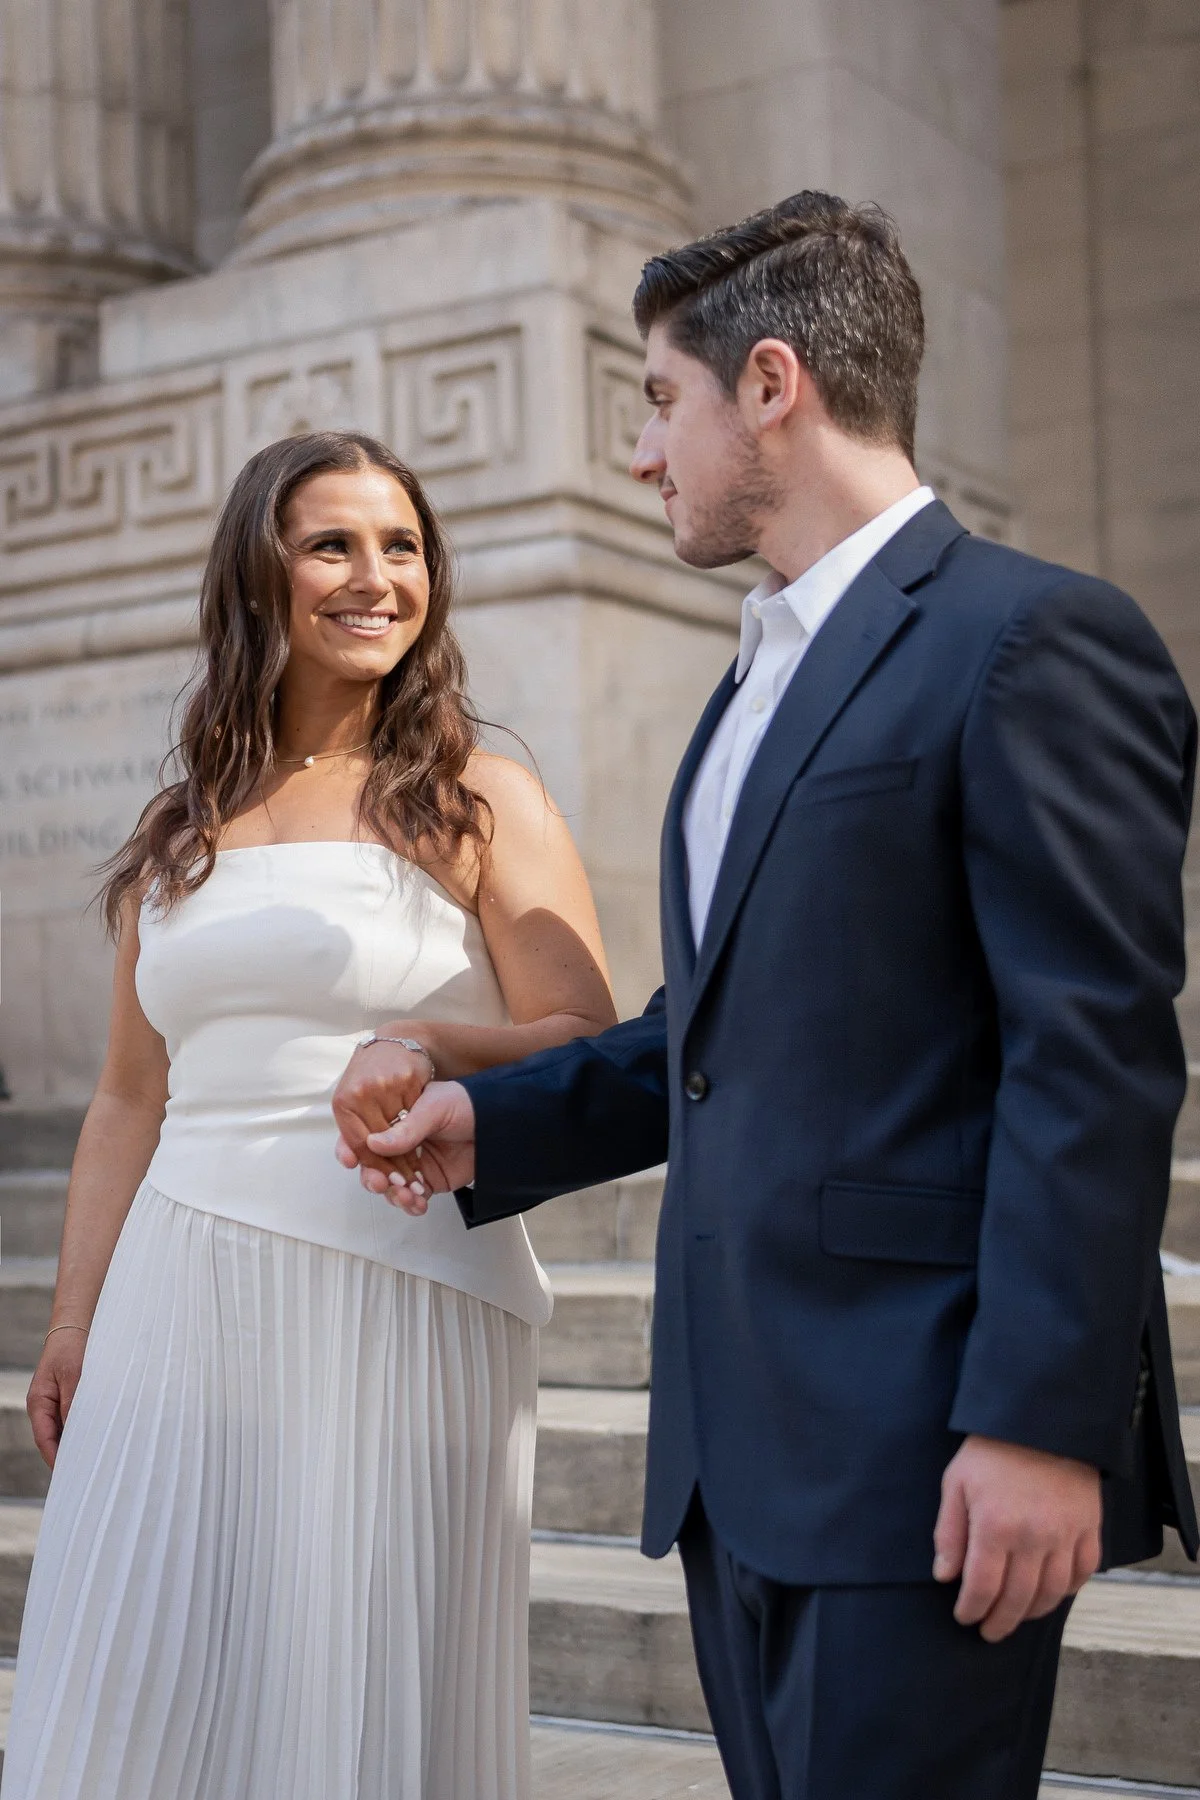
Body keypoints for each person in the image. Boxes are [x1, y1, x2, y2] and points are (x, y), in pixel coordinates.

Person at [339, 195, 1200, 1800]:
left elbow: (1091, 1060)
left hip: (929, 1449)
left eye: (660, 402)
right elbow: (715, 1033)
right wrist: (492, 1121)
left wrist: (1041, 1421)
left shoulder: (1035, 642)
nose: (645, 454)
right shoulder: (753, 677)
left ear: (774, 385)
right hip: (742, 1459)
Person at [1, 430, 616, 1800]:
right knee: (135, 1675)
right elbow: (125, 1095)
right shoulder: (182, 824)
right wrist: (68, 1321)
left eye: (403, 547)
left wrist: (426, 1040)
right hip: (178, 1283)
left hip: (403, 1278)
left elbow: (587, 1043)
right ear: (257, 575)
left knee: (361, 1694)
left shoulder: (478, 795)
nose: (376, 577)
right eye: (334, 544)